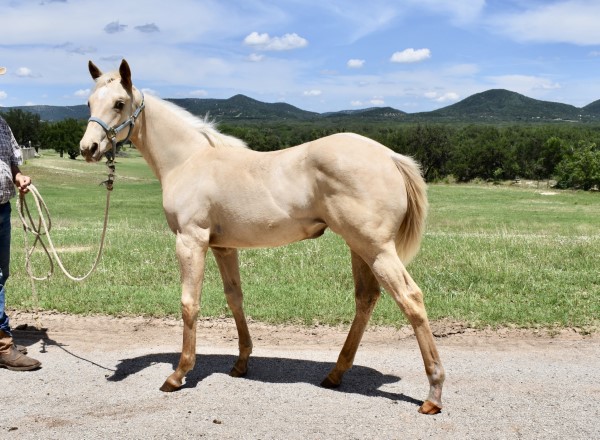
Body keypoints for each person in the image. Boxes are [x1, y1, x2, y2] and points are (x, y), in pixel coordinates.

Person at [0, 64, 41, 371]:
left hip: (2, 207)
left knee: (2, 274)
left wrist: (19, 177)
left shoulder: (2, 125)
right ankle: (3, 345)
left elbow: (13, 162)